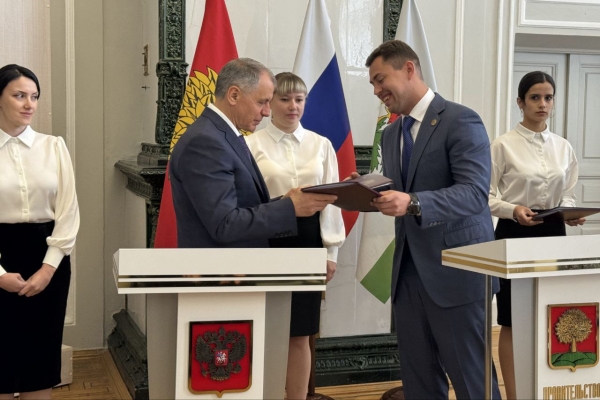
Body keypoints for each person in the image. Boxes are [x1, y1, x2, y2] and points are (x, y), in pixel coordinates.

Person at [364, 40, 501, 399]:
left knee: (473, 381)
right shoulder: (391, 133)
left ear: (409, 69)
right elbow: (400, 190)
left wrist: (413, 202)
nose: (377, 91)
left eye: (381, 79)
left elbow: (473, 193)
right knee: (419, 382)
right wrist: (363, 190)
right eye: (373, 84)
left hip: (457, 272)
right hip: (408, 274)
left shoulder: (461, 120)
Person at [169, 58, 335, 254]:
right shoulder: (205, 142)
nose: (266, 112)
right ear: (233, 95)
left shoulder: (221, 134)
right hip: (222, 268)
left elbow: (242, 206)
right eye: (262, 102)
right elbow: (224, 224)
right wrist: (290, 208)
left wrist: (284, 202)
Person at [246, 72, 344, 400]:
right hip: (265, 240)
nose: (293, 106)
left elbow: (332, 203)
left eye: (299, 99)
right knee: (263, 328)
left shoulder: (321, 145)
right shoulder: (250, 144)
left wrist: (331, 253)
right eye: (285, 99)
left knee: (300, 333)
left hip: (308, 242)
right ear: (269, 103)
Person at [489, 71, 584, 400]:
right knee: (512, 319)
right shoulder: (502, 145)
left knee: (552, 314)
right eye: (535, 97)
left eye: (548, 97)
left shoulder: (563, 147)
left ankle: (546, 390)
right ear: (520, 102)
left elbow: (568, 194)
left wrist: (570, 213)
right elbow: (484, 196)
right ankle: (515, 395)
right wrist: (512, 209)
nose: (542, 104)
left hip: (554, 232)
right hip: (514, 232)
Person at [0, 64, 79, 399]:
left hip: (48, 258)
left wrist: (48, 270)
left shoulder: (54, 147)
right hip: (2, 258)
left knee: (40, 362)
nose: (28, 104)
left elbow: (68, 212)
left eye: (34, 96)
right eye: (19, 95)